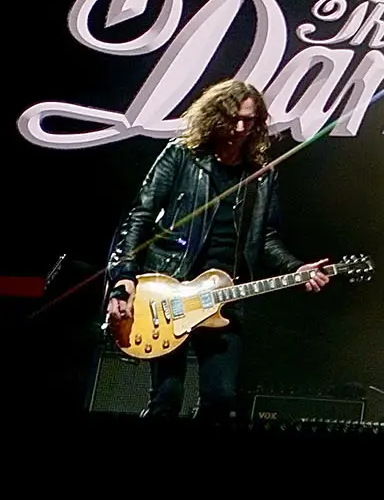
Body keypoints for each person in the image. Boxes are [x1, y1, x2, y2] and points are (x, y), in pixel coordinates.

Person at [103, 79, 331, 422]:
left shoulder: (261, 175)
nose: (240, 128)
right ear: (214, 117)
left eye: (249, 121)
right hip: (170, 290)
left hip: (223, 296)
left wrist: (296, 268)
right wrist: (124, 278)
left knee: (221, 398)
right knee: (167, 398)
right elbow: (140, 216)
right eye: (232, 119)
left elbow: (265, 237)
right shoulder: (182, 155)